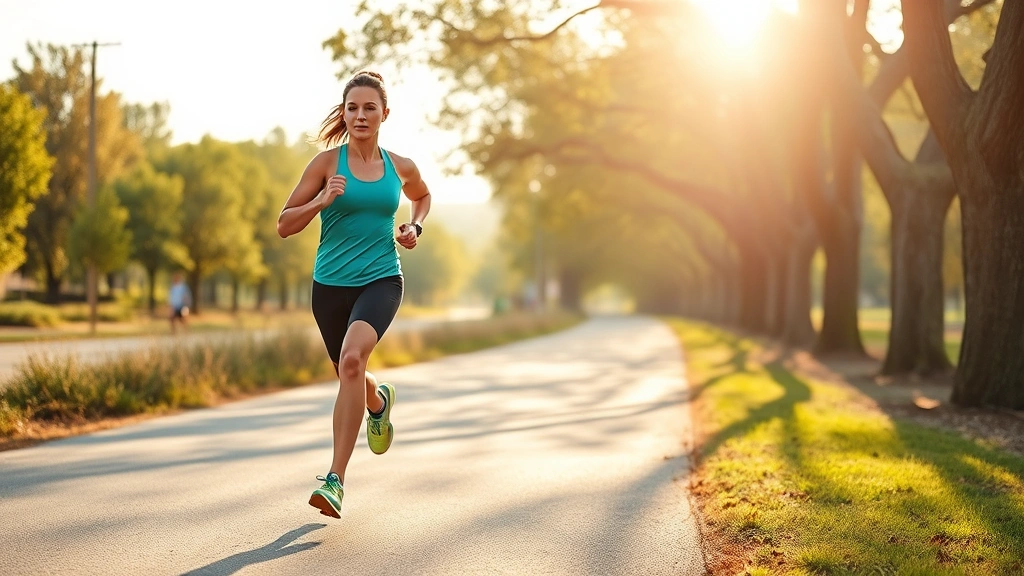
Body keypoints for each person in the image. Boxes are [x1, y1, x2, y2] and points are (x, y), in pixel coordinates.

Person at [277, 70, 431, 519]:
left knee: (350, 360)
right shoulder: (326, 165)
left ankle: (335, 481)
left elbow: (421, 197)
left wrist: (414, 226)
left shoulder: (399, 166)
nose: (360, 115)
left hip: (382, 279)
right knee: (351, 371)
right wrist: (320, 202)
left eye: (369, 107)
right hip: (329, 287)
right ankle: (378, 403)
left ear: (385, 113)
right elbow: (284, 224)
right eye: (352, 108)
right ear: (343, 114)